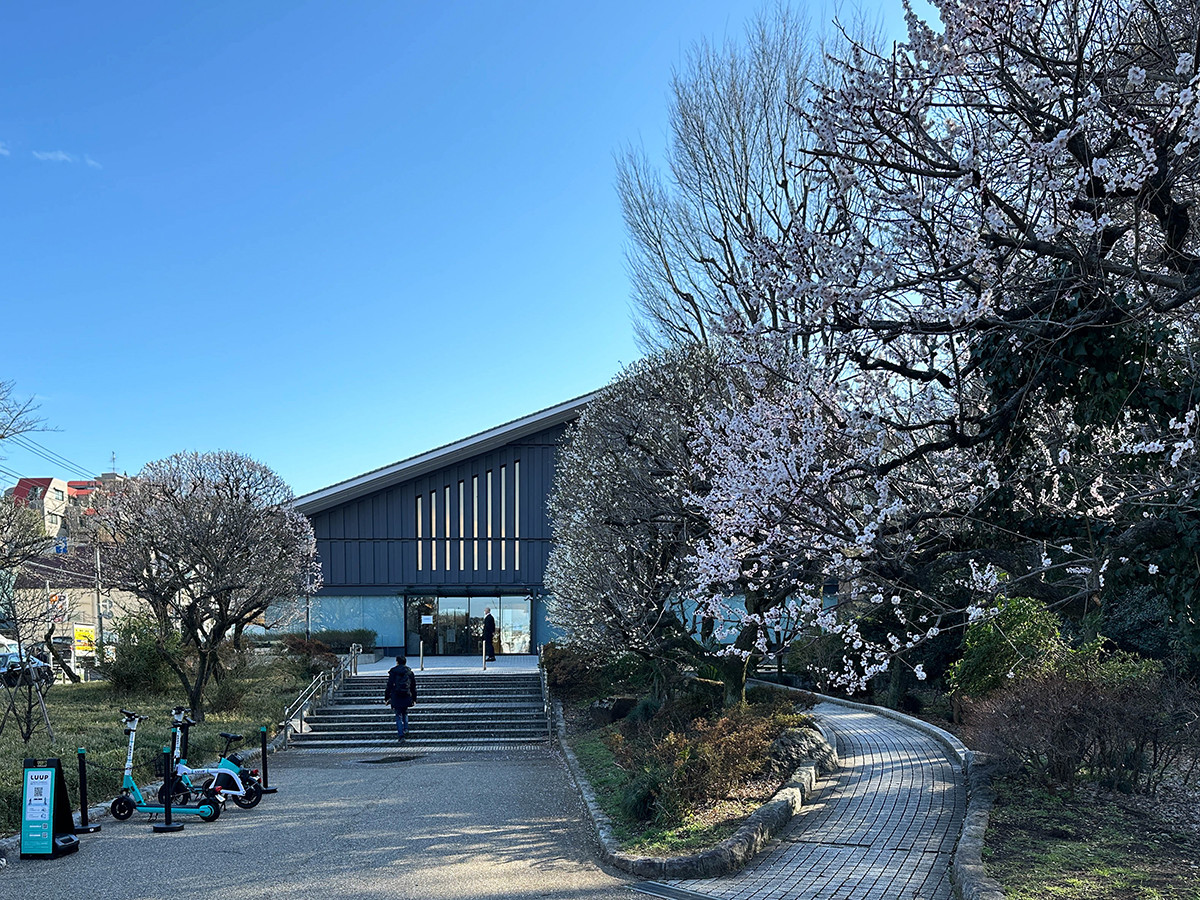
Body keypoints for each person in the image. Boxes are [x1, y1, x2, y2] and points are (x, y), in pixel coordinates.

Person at [383, 655, 417, 742]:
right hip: (406, 695)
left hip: (396, 696)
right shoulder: (409, 672)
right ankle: (406, 729)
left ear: (397, 662)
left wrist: (386, 697)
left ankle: (401, 736)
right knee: (405, 712)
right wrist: (414, 698)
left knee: (398, 715)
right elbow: (413, 687)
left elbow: (389, 686)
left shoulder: (393, 672)